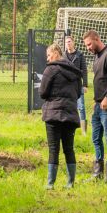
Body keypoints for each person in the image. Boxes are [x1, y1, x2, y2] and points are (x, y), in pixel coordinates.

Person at [39, 42, 82, 189]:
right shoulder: (75, 72)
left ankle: (50, 183)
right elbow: (78, 93)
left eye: (49, 55)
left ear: (56, 53)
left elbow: (42, 92)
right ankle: (70, 183)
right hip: (70, 114)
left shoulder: (50, 70)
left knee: (53, 148)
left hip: (53, 114)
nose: (47, 59)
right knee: (69, 149)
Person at [83, 29, 107, 181]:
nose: (88, 48)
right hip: (98, 106)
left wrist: (106, 98)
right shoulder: (97, 57)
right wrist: (97, 101)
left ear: (97, 39)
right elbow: (101, 81)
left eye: (89, 44)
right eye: (86, 46)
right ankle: (97, 173)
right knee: (95, 138)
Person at [63, 34, 88, 133]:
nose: (68, 44)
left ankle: (84, 131)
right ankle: (69, 128)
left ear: (73, 43)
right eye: (66, 42)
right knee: (67, 106)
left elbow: (84, 71)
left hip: (77, 85)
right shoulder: (63, 56)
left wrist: (85, 85)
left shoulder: (80, 55)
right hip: (66, 85)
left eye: (69, 42)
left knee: (81, 107)